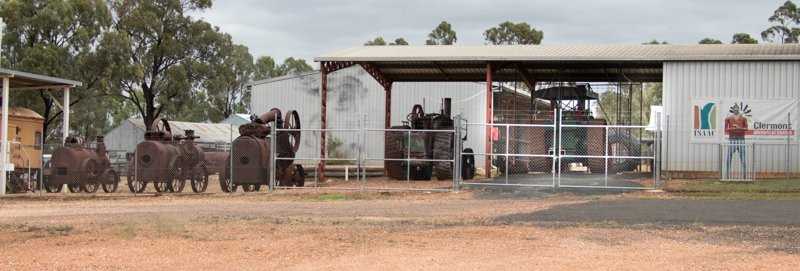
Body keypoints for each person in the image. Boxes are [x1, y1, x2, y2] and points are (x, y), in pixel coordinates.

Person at [724, 103, 748, 179]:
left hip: (741, 138)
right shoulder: (728, 119)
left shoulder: (744, 119)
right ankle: (727, 176)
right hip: (732, 138)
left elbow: (746, 128)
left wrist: (738, 128)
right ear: (733, 110)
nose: (736, 110)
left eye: (737, 109)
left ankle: (744, 177)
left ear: (739, 110)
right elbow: (725, 129)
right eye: (734, 109)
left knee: (743, 158)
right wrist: (732, 129)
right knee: (729, 157)